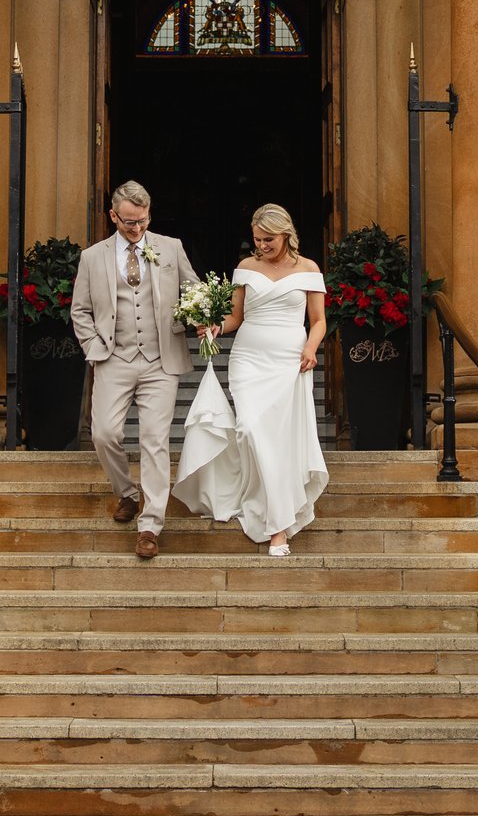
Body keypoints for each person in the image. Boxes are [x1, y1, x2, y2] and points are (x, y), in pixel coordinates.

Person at [172, 203, 331, 554]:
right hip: (248, 360)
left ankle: (278, 528)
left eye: (268, 239)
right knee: (250, 430)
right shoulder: (245, 267)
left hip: (289, 361)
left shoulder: (309, 269)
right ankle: (264, 508)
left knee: (279, 441)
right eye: (257, 239)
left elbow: (318, 320)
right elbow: (236, 316)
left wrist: (311, 348)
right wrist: (216, 326)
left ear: (286, 235)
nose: (261, 245)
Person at [68, 180, 199, 560]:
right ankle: (127, 492)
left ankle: (150, 524)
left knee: (154, 440)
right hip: (115, 357)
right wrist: (96, 349)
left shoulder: (170, 248)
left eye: (141, 221)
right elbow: (81, 311)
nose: (136, 229)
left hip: (161, 360)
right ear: (113, 216)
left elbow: (192, 290)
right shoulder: (92, 257)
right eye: (128, 222)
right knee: (104, 433)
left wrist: (201, 316)